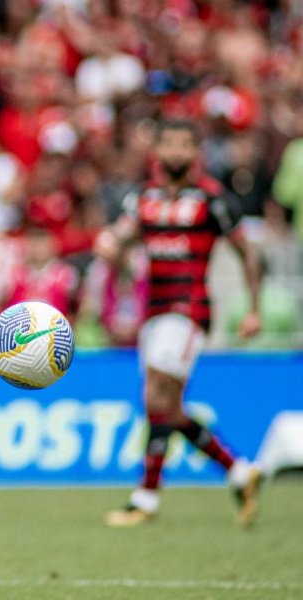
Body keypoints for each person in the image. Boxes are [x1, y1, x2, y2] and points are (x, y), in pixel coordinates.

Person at [95, 120, 264, 528]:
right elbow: (120, 241)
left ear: (195, 154)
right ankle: (240, 471)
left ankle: (146, 500)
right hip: (153, 312)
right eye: (167, 142)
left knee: (157, 398)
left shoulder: (211, 198)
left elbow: (248, 253)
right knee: (166, 407)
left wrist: (253, 308)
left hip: (189, 310)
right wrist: (110, 248)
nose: (174, 151)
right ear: (156, 151)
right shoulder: (144, 199)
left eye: (183, 144)